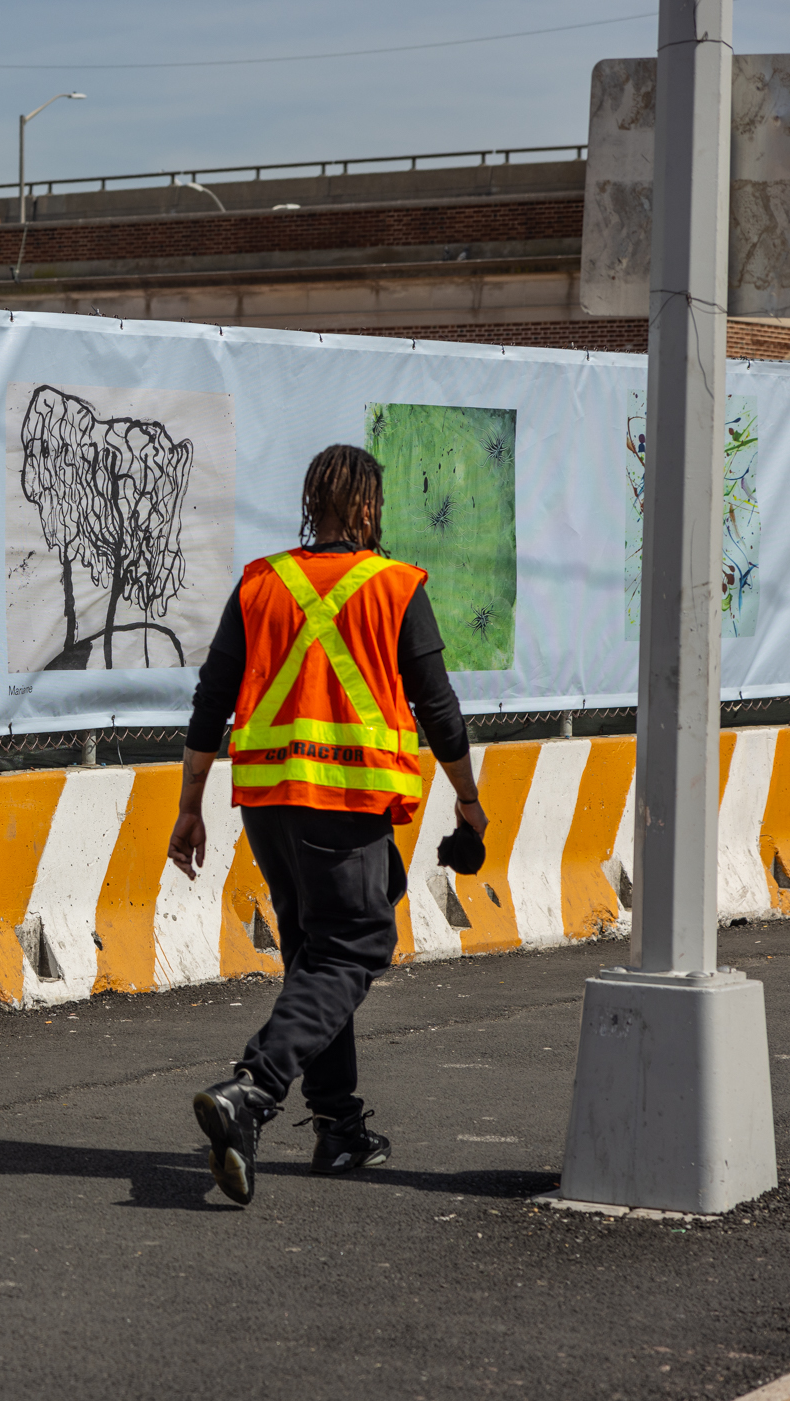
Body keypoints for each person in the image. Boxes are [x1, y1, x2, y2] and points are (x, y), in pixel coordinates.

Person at [167, 443, 488, 1207]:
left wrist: (190, 803)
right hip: (345, 801)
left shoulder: (260, 583)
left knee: (318, 952)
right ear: (370, 508)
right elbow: (437, 707)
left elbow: (211, 698)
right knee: (355, 945)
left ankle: (339, 1127)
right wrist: (468, 800)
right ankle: (254, 1087)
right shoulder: (395, 586)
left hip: (271, 804)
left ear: (312, 504)